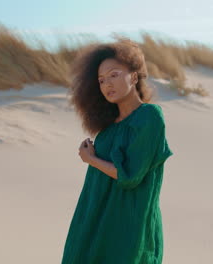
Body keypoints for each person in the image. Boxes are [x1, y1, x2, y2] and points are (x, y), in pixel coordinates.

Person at [61, 38, 174, 264]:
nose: (107, 84)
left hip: (127, 227)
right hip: (95, 220)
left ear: (133, 76)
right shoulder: (109, 127)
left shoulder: (150, 117)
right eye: (101, 80)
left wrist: (91, 159)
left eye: (114, 75)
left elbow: (130, 176)